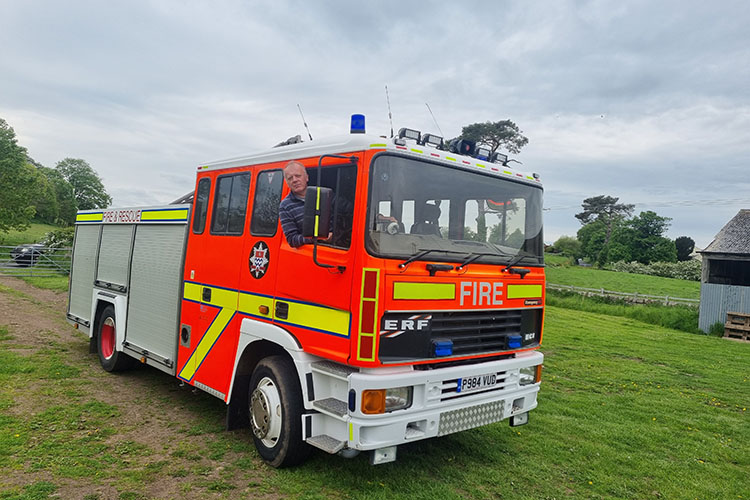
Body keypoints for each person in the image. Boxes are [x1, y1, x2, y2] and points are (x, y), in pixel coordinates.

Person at [279, 161, 312, 248]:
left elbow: (349, 209)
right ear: (287, 183)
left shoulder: (323, 193)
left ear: (306, 177)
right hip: (313, 253)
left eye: (298, 176)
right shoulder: (285, 206)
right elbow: (292, 239)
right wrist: (317, 238)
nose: (294, 180)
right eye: (290, 178)